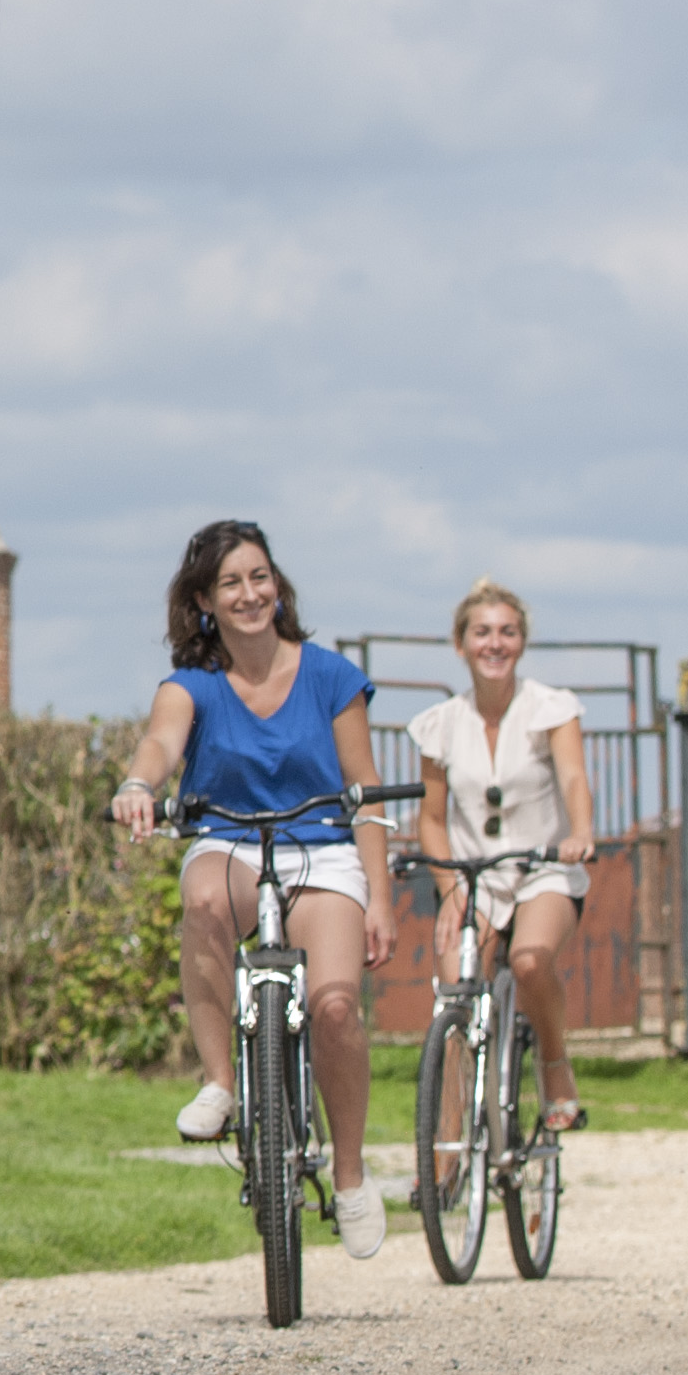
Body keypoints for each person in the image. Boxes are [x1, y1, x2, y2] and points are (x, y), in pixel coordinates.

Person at [110, 519, 394, 1262]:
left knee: (334, 1007)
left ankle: (354, 1173)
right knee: (203, 899)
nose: (250, 594)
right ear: (204, 600)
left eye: (260, 577)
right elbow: (162, 743)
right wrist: (141, 784)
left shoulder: (331, 676)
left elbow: (365, 797)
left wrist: (383, 898)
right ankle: (221, 1083)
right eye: (231, 583)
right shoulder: (192, 685)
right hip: (231, 842)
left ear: (279, 585)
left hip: (323, 851)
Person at [400, 579, 596, 1176]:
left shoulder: (550, 709)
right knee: (457, 994)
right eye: (482, 632)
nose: (495, 643)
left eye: (507, 632)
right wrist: (451, 888)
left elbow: (571, 779)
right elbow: (430, 819)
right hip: (473, 876)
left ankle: (555, 1069)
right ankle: (449, 1144)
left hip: (540, 869)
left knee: (532, 961)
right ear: (460, 644)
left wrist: (580, 830)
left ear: (522, 642)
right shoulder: (439, 725)